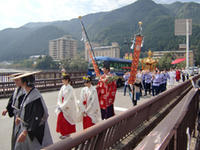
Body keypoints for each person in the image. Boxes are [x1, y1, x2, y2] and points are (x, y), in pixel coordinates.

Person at [13, 72, 53, 150]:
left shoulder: (35, 97)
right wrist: (19, 118)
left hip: (35, 132)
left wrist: (25, 133)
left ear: (24, 82)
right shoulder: (29, 94)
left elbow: (36, 116)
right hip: (28, 130)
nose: (17, 81)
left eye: (19, 80)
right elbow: (26, 111)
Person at [2, 73, 25, 150]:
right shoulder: (16, 90)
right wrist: (7, 110)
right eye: (15, 80)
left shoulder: (25, 90)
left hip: (23, 117)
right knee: (16, 135)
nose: (15, 82)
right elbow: (12, 101)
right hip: (17, 117)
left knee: (22, 135)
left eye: (17, 80)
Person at [56, 73, 77, 139]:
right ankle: (63, 133)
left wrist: (62, 106)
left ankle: (67, 134)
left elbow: (68, 99)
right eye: (62, 79)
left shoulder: (70, 88)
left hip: (67, 107)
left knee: (66, 121)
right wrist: (59, 104)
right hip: (62, 105)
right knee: (61, 120)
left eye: (64, 79)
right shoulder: (63, 87)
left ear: (67, 80)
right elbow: (59, 97)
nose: (62, 81)